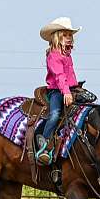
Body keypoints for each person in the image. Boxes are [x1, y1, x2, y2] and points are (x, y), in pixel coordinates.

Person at [35, 16, 81, 165]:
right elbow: (59, 76)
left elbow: (70, 75)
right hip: (57, 91)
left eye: (70, 35)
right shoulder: (53, 56)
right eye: (65, 35)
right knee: (55, 114)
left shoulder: (67, 55)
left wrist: (73, 88)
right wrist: (66, 92)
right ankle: (45, 144)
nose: (69, 38)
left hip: (71, 89)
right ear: (57, 37)